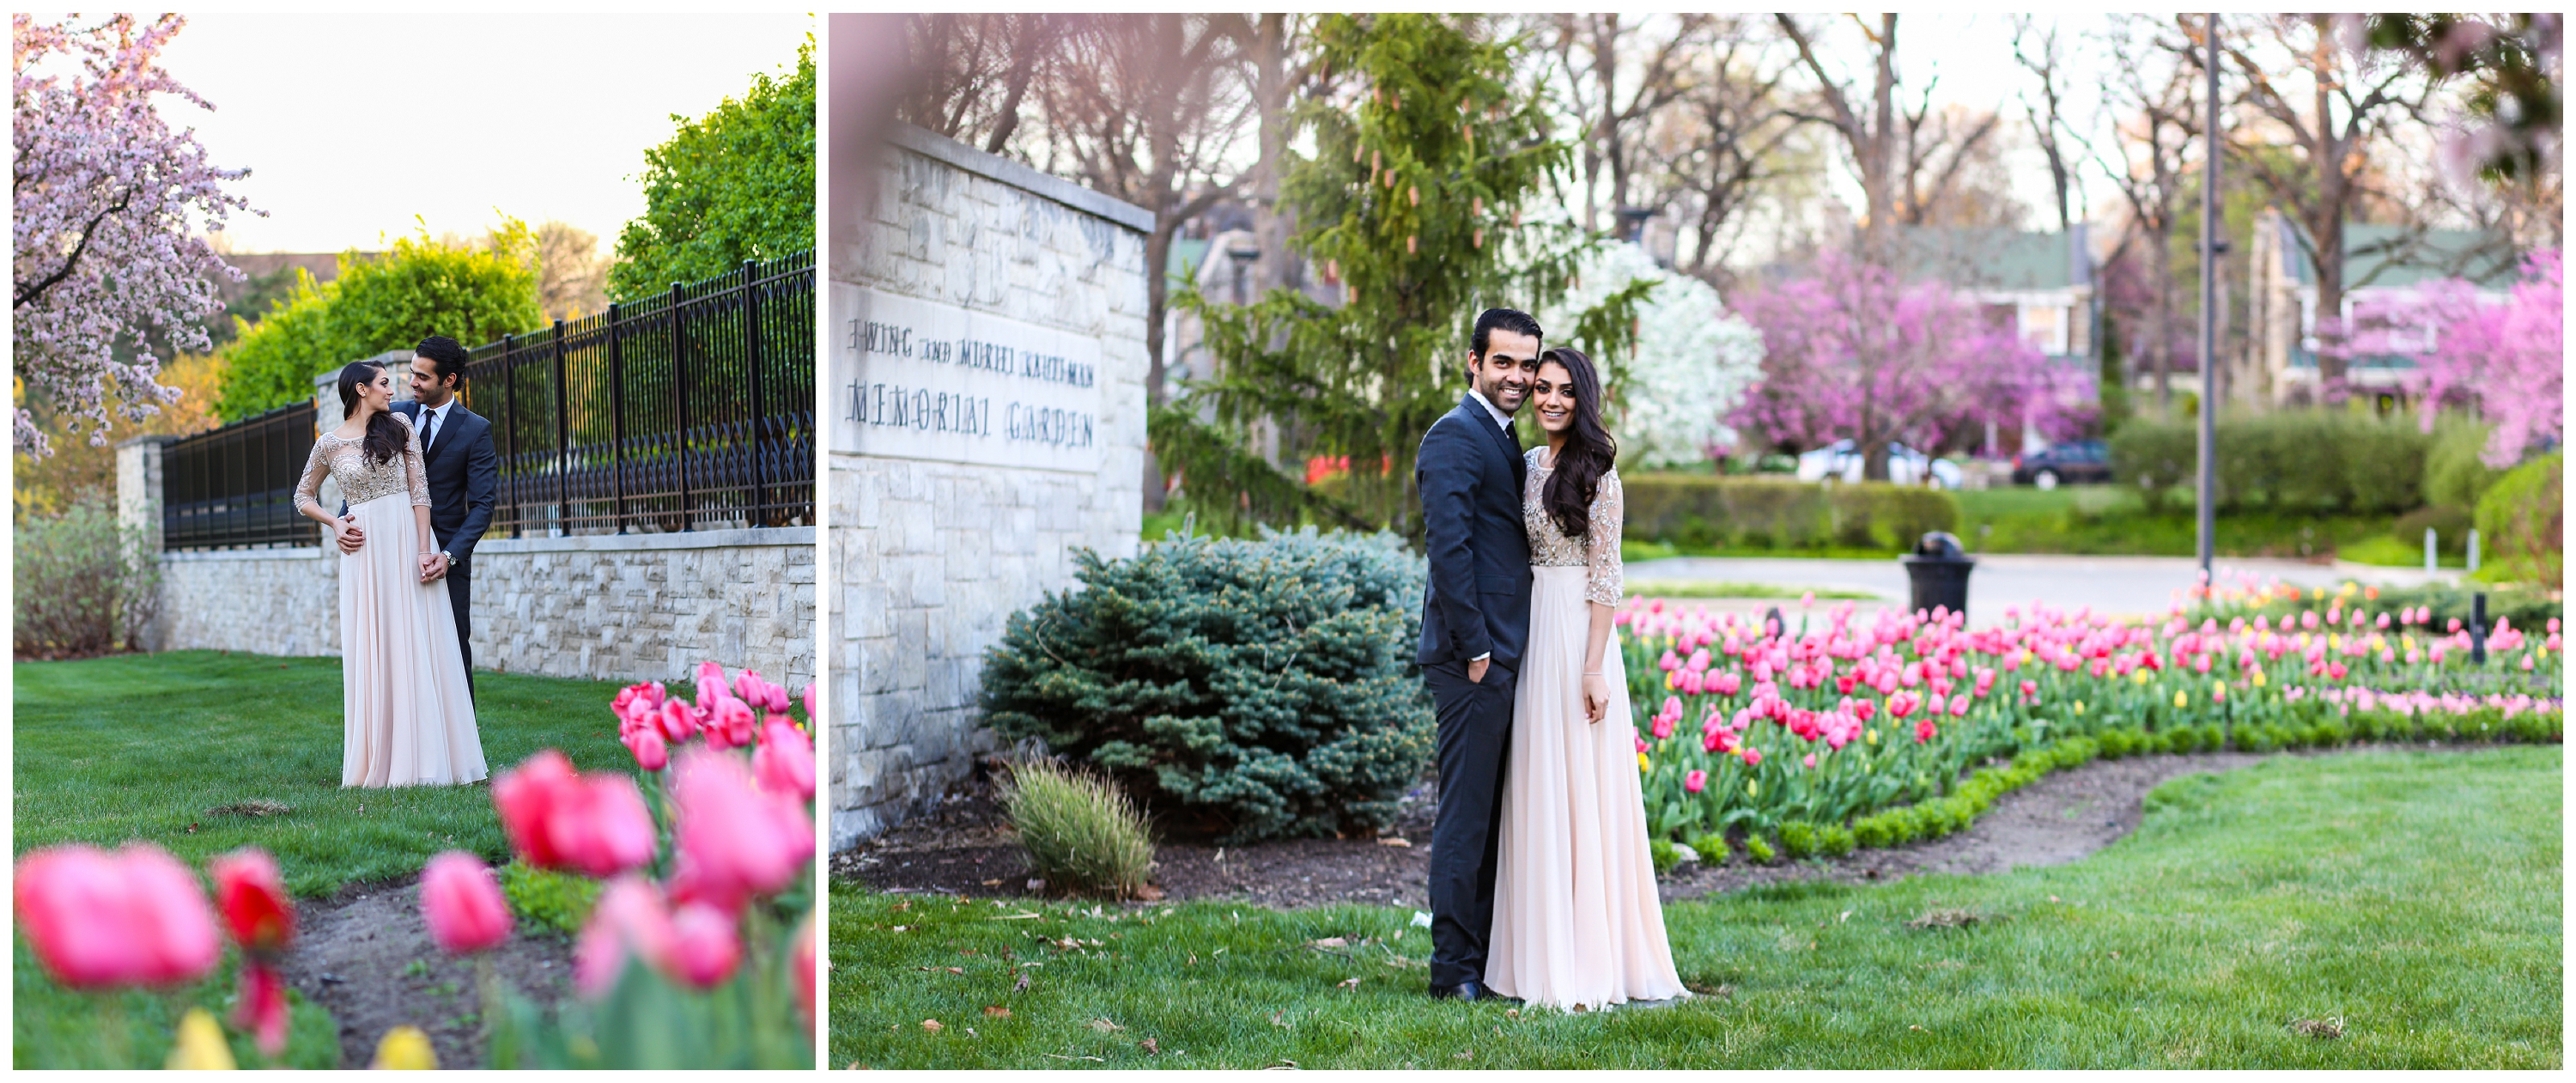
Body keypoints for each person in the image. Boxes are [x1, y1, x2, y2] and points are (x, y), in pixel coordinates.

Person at [1484, 345, 1688, 1011]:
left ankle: (1591, 957)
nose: (1549, 399)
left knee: (1581, 786)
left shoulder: (1598, 473)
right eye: (1541, 387)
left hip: (1579, 634)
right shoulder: (1525, 464)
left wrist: (1595, 666)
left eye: (1565, 391)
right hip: (1530, 627)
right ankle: (1533, 955)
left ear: (1584, 399)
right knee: (1538, 783)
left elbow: (1607, 575)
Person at [1414, 307, 1543, 1001]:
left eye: (1527, 364)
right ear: (1473, 360)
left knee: (1490, 817)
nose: (1518, 377)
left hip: (1501, 656)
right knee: (1466, 818)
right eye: (1504, 362)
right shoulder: (1454, 437)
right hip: (1473, 660)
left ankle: (1484, 960)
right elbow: (1449, 550)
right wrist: (1477, 651)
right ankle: (1453, 972)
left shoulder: (1499, 436)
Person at [295, 360, 488, 788]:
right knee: (376, 646)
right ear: (362, 390)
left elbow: (420, 493)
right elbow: (302, 495)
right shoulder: (328, 444)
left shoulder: (399, 425)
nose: (393, 389)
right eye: (384, 383)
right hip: (364, 554)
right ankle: (380, 757)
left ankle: (437, 758)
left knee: (422, 642)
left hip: (406, 541)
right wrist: (335, 522)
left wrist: (424, 550)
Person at [340, 336, 498, 696]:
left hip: (443, 561)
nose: (411, 382)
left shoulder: (476, 431)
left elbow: (483, 506)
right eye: (412, 372)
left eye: (422, 377)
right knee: (393, 655)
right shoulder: (390, 415)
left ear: (449, 381)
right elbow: (358, 469)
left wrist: (448, 556)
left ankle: (463, 751)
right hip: (387, 553)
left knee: (453, 653)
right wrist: (343, 520)